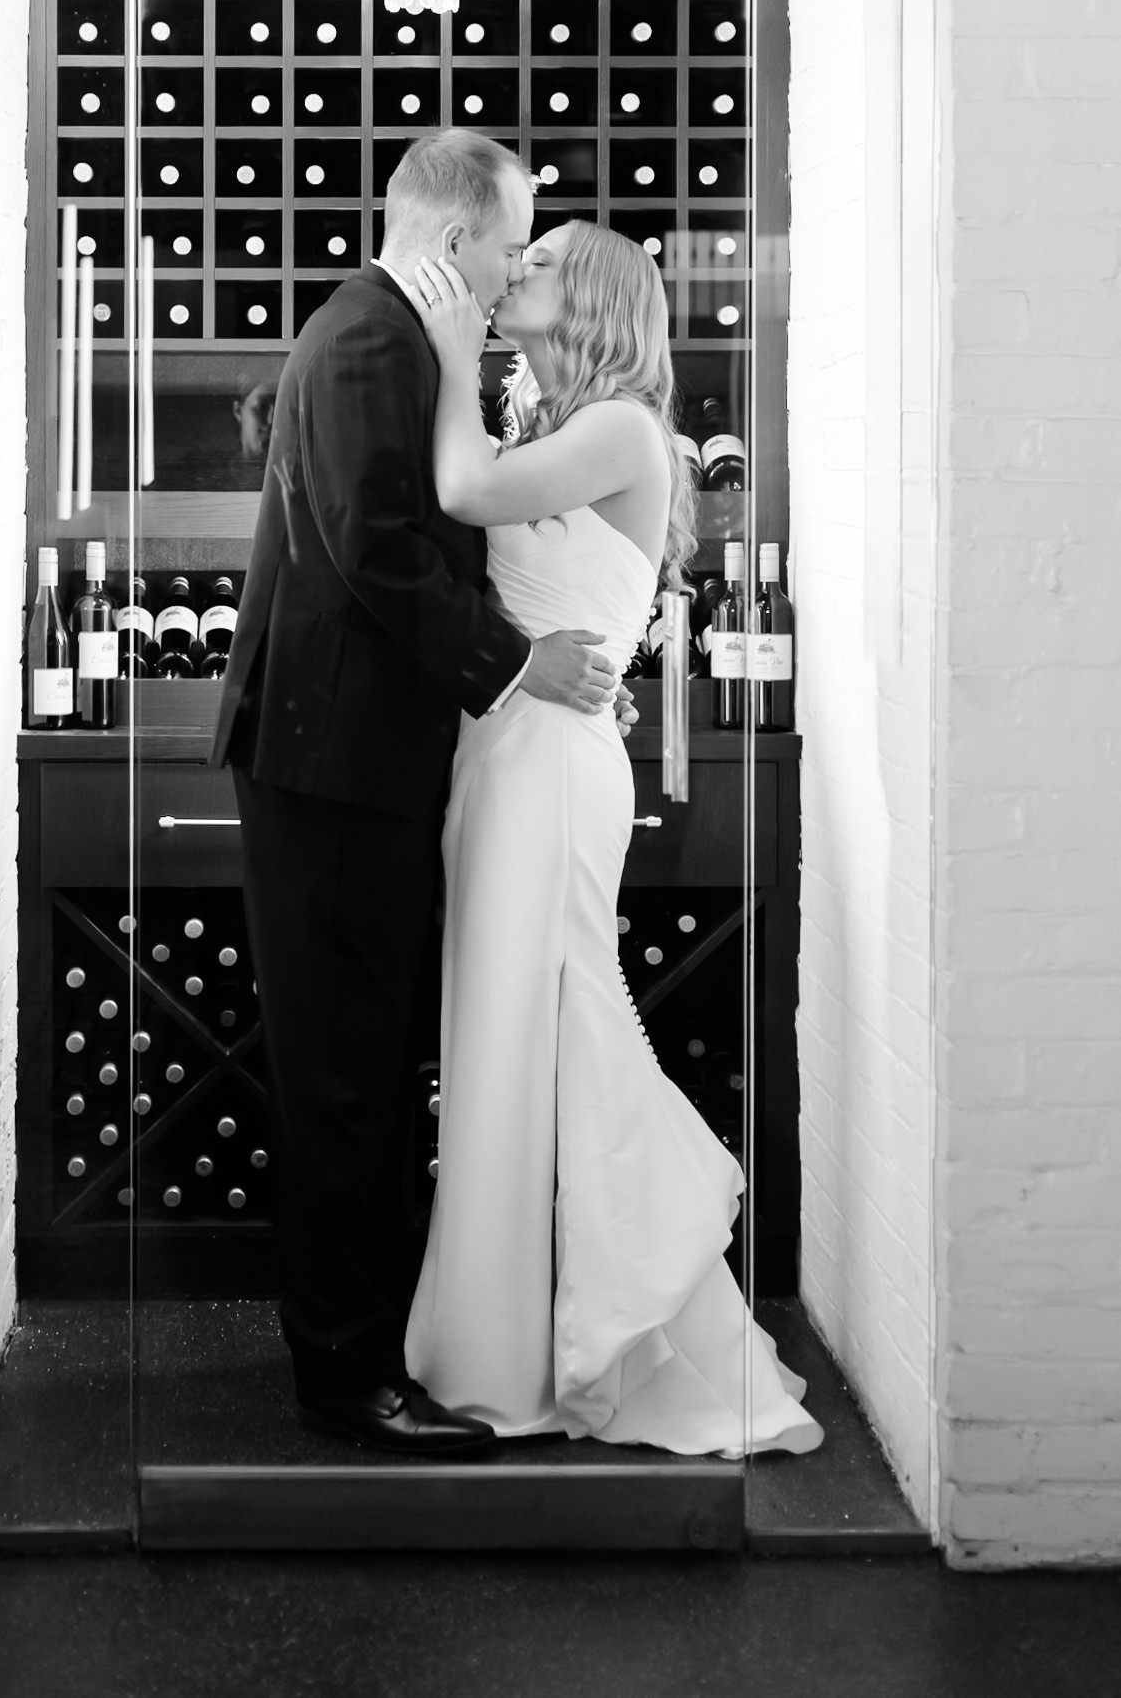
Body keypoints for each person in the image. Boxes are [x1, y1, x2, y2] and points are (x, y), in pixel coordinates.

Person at [211, 132, 634, 1456]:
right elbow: (378, 549)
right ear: (457, 241)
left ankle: (371, 1341)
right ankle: (341, 1375)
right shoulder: (369, 343)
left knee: (375, 1062)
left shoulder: (395, 340)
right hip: (332, 769)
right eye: (511, 242)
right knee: (346, 1073)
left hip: (365, 762)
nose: (516, 269)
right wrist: (519, 660)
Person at [403, 220, 823, 1457]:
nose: (509, 274)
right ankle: (520, 1327)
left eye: (534, 264)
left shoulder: (623, 427)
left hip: (548, 766)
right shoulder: (554, 422)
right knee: (505, 1026)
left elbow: (464, 492)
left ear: (585, 298)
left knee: (554, 1012)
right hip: (508, 747)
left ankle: (590, 1322)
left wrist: (442, 354)